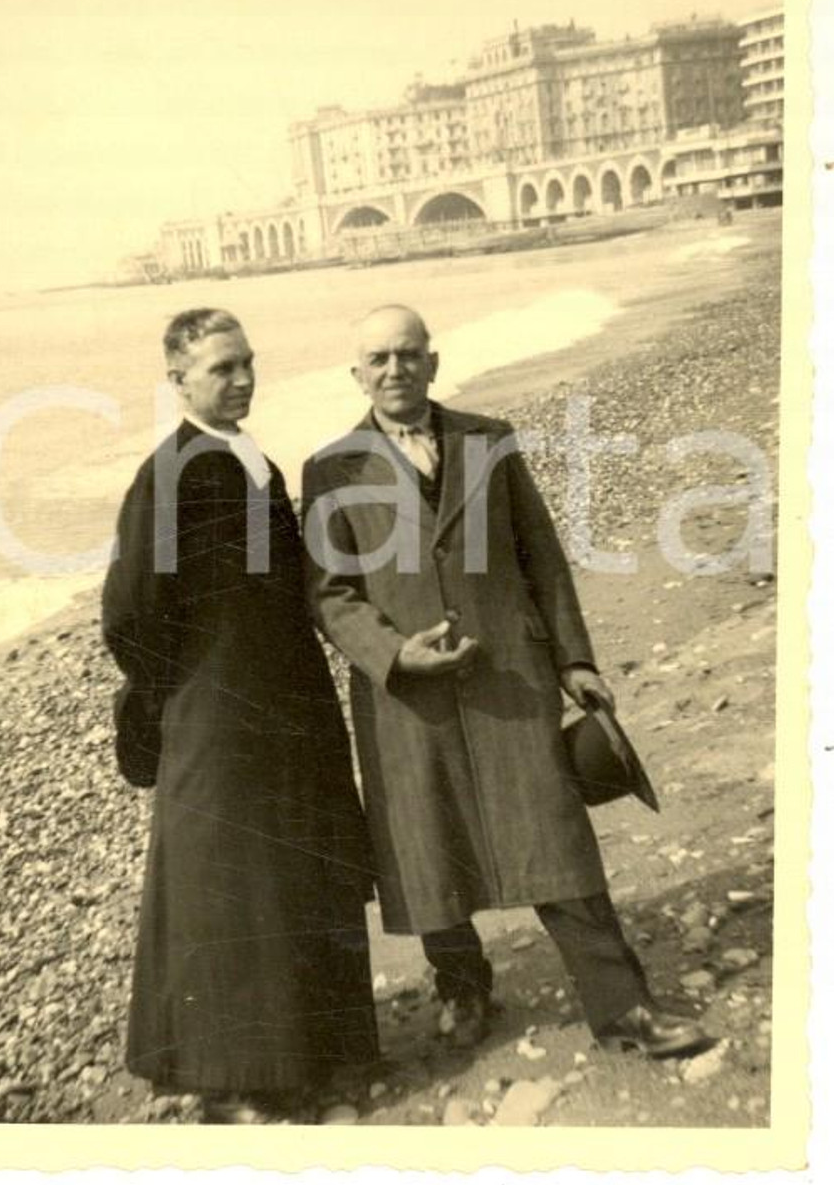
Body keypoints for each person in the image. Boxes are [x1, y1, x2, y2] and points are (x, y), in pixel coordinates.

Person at [300, 304, 710, 1059]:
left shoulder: (490, 441)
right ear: (356, 374)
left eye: (408, 354)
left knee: (556, 835)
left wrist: (574, 660)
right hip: (406, 697)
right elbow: (330, 593)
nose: (395, 369)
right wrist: (394, 655)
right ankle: (463, 988)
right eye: (379, 358)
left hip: (511, 679)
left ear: (433, 360)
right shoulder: (331, 469)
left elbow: (541, 555)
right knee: (426, 848)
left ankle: (625, 1008)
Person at [102, 307, 379, 1122]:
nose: (243, 379)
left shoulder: (250, 458)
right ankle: (237, 1082)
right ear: (178, 381)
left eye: (248, 363)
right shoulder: (173, 470)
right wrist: (177, 700)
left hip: (283, 701)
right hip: (217, 715)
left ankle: (305, 1058)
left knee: (288, 872)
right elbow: (127, 611)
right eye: (222, 368)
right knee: (229, 890)